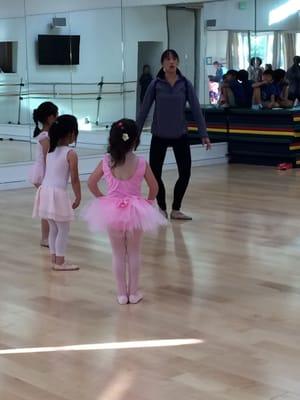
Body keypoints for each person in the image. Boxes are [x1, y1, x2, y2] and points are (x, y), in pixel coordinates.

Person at [82, 119, 167, 304]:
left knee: (118, 254)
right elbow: (154, 186)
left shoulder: (106, 161)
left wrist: (102, 199)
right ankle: (134, 293)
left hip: (111, 210)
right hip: (136, 210)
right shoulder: (141, 162)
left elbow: (91, 182)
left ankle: (121, 294)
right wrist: (149, 202)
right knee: (134, 252)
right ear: (135, 140)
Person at [137, 49, 211, 220]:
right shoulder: (155, 84)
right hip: (159, 135)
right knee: (155, 174)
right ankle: (161, 208)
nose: (171, 62)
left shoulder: (185, 84)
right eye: (167, 59)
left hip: (180, 135)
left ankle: (176, 209)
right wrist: (136, 133)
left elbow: (196, 109)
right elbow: (144, 110)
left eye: (174, 59)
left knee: (185, 173)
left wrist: (204, 134)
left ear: (177, 62)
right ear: (162, 63)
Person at [33, 115, 81, 271]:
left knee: (54, 228)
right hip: (57, 194)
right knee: (64, 229)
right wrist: (78, 196)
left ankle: (55, 258)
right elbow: (74, 178)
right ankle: (60, 262)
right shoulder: (71, 153)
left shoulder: (50, 152)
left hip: (45, 192)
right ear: (72, 133)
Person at [29, 101, 58, 248]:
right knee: (47, 207)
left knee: (49, 206)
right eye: (55, 116)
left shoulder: (45, 135)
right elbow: (48, 158)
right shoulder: (45, 137)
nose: (57, 118)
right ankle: (46, 238)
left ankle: (48, 236)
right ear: (49, 118)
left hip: (42, 173)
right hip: (44, 174)